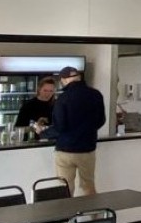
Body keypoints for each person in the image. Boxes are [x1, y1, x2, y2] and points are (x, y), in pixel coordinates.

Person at [34, 66, 106, 196]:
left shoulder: (63, 99)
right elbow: (101, 120)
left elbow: (59, 127)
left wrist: (42, 132)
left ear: (64, 80)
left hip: (65, 150)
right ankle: (96, 216)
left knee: (65, 190)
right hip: (87, 149)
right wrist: (85, 130)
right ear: (78, 78)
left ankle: (68, 216)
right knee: (88, 187)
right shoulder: (96, 95)